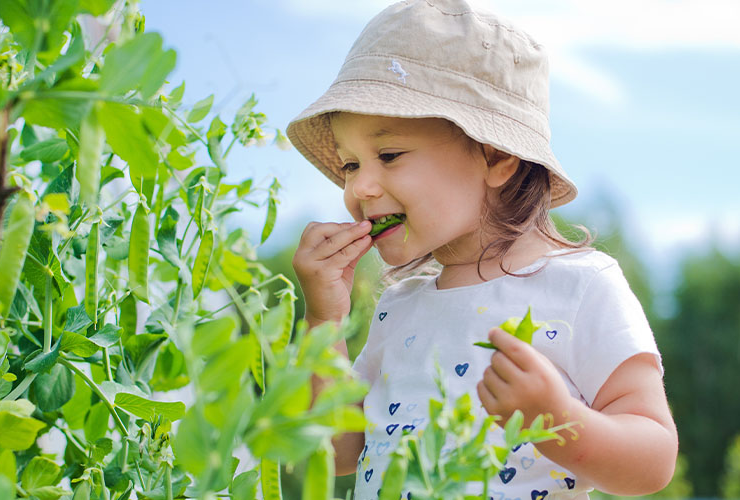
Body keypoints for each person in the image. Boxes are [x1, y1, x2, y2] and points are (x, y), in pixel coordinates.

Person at [285, 1, 678, 499]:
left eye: (388, 155)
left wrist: (557, 420)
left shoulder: (582, 286)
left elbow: (654, 461)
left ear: (497, 157)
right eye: (349, 165)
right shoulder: (400, 306)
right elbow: (335, 453)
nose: (359, 187)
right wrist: (324, 322)